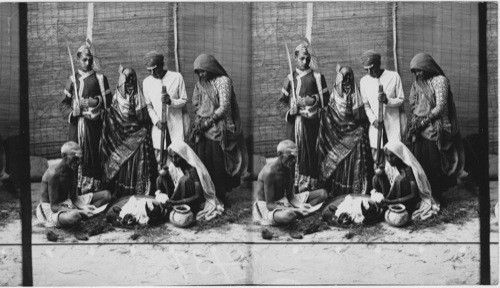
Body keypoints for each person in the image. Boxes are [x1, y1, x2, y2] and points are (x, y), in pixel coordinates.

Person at [406, 53, 464, 203]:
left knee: (434, 163)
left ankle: (436, 196)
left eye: (419, 70)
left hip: (436, 126)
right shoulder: (418, 83)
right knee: (421, 161)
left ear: (427, 66)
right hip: (420, 128)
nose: (417, 74)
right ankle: (424, 194)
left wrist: (424, 122)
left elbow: (440, 107)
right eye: (415, 72)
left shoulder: (440, 81)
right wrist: (416, 123)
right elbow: (414, 105)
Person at [59, 44, 112, 194]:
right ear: (78, 59)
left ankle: (93, 189)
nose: (87, 63)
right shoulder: (72, 80)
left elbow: (109, 101)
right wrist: (73, 111)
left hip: (94, 126)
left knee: (94, 154)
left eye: (90, 59)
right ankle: (74, 189)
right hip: (77, 126)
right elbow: (63, 104)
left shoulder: (100, 79)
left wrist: (96, 101)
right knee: (74, 154)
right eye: (84, 60)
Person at [190, 54, 243, 203]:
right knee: (204, 161)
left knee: (217, 163)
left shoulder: (223, 81)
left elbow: (225, 107)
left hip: (219, 127)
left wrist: (209, 122)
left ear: (211, 68)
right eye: (198, 72)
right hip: (203, 128)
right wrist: (201, 120)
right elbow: (196, 104)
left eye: (203, 71)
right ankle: (206, 193)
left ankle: (220, 195)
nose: (201, 74)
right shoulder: (201, 83)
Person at [278, 42, 329, 193]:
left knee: (311, 152)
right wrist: (290, 110)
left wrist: (312, 100)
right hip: (294, 125)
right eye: (301, 58)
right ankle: (292, 186)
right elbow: (281, 103)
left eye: (307, 58)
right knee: (292, 152)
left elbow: (326, 99)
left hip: (311, 124)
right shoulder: (289, 79)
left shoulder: (317, 77)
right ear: (295, 58)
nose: (305, 62)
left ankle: (310, 186)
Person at [317, 65, 374, 196]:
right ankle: (338, 191)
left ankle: (355, 190)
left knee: (355, 164)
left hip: (354, 136)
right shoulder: (334, 94)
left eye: (350, 75)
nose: (347, 79)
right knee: (339, 164)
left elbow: (360, 116)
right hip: (338, 136)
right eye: (344, 76)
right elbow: (330, 115)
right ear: (339, 78)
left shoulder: (355, 93)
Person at [100, 66, 157, 198]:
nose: (130, 80)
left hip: (138, 136)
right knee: (123, 164)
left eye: (132, 76)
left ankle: (140, 191)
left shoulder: (138, 95)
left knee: (139, 161)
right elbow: (113, 116)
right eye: (127, 77)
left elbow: (143, 118)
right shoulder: (117, 96)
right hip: (121, 137)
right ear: (122, 79)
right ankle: (122, 192)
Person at [35, 141, 111, 228]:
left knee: (106, 195)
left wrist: (84, 207)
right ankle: (81, 215)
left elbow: (74, 198)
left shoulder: (72, 169)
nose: (78, 162)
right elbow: (54, 207)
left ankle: (86, 214)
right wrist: (79, 211)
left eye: (80, 159)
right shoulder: (53, 174)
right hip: (50, 208)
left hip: (67, 203)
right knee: (74, 216)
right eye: (75, 158)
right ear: (64, 156)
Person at [253, 140, 327, 226]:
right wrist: (295, 209)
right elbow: (270, 205)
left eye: (295, 157)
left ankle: (304, 211)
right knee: (289, 215)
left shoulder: (288, 167)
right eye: (291, 157)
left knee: (323, 194)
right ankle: (298, 213)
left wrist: (300, 206)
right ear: (280, 154)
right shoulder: (269, 172)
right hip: (268, 207)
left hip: (284, 201)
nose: (294, 160)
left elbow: (290, 197)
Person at [142, 51, 190, 165]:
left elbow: (184, 100)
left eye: (155, 69)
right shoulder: (147, 82)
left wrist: (170, 101)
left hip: (176, 126)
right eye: (149, 70)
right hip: (160, 128)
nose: (153, 73)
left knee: (177, 160)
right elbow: (149, 106)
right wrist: (156, 122)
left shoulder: (176, 77)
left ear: (162, 65)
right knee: (161, 163)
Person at [156, 141, 224, 220]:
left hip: (192, 201)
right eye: (171, 156)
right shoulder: (173, 166)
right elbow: (170, 181)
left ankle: (173, 207)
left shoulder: (192, 169)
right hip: (178, 196)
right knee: (161, 178)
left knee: (184, 180)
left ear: (183, 155)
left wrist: (176, 202)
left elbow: (198, 196)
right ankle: (166, 205)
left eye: (177, 157)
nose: (174, 160)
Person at [372, 140, 440, 220]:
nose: (389, 159)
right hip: (393, 196)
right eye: (387, 156)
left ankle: (388, 207)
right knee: (377, 177)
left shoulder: (408, 169)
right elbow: (387, 180)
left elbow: (413, 195)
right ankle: (382, 205)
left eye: (392, 156)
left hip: (407, 201)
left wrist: (391, 202)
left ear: (399, 155)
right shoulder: (390, 166)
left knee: (400, 180)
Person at [359, 50, 407, 164]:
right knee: (378, 162)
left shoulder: (394, 76)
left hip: (393, 126)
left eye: (372, 68)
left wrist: (387, 101)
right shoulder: (364, 81)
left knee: (394, 160)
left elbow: (401, 100)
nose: (370, 72)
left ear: (379, 64)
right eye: (367, 69)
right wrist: (373, 120)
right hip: (377, 128)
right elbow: (366, 106)